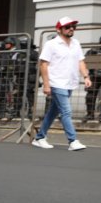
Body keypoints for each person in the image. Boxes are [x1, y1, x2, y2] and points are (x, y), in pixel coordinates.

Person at [32, 17, 90, 150]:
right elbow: (43, 64)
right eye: (68, 27)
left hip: (70, 82)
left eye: (73, 27)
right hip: (57, 82)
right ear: (59, 29)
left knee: (53, 112)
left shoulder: (76, 43)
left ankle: (40, 137)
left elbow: (80, 61)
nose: (71, 29)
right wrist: (46, 84)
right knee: (66, 111)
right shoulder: (51, 44)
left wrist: (86, 76)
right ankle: (72, 141)